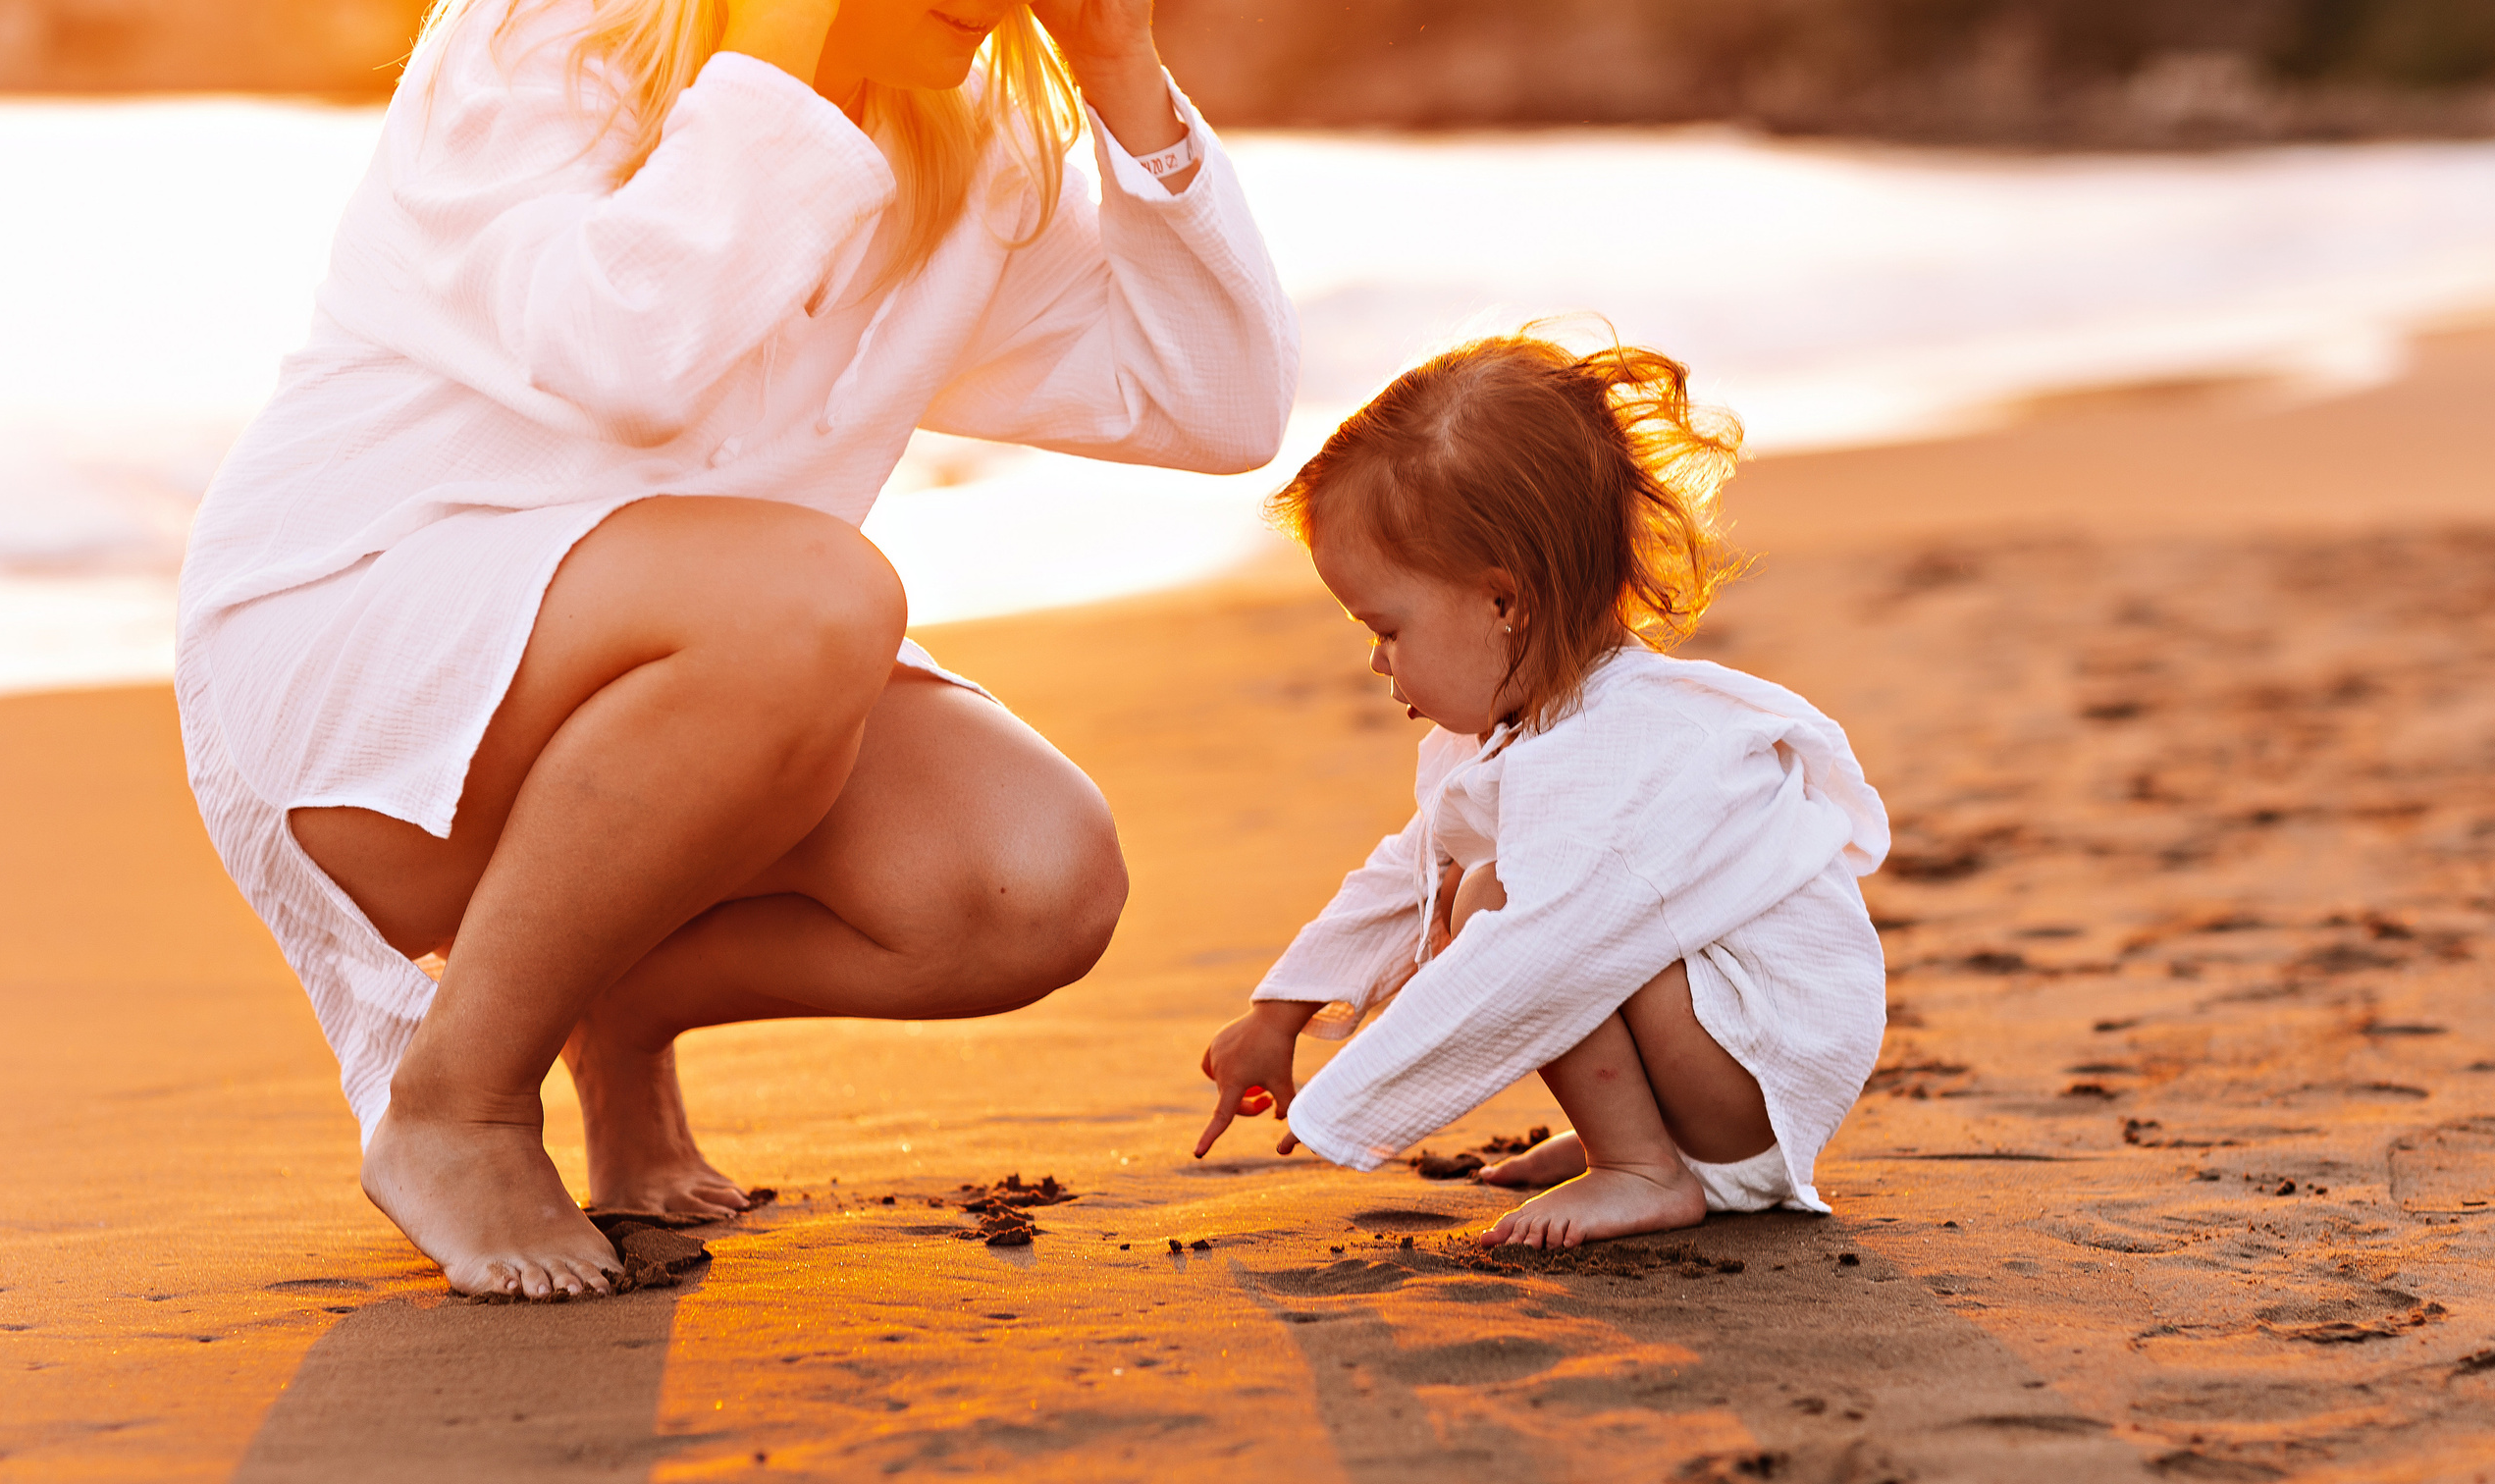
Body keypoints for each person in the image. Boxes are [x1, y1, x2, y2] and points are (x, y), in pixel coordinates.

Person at [173, 0, 1298, 1298]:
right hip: (351, 672)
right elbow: (630, 354)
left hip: (692, 659)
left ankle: (613, 1001)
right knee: (813, 599)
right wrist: (779, 43)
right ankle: (458, 1100)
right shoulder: (556, 36)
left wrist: (1118, 67)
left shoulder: (970, 145)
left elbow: (1215, 403)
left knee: (1032, 875)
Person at [1194, 331, 1886, 1248]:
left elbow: (1543, 953)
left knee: (1500, 898)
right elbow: (1409, 871)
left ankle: (1642, 1165)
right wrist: (1277, 1013)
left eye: (1388, 628)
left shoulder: (1616, 749)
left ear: (1505, 604)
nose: (1375, 659)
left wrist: (1349, 1102)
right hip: (1723, 1053)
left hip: (1762, 1071)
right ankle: (1644, 1132)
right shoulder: (1524, 721)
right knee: (1478, 887)